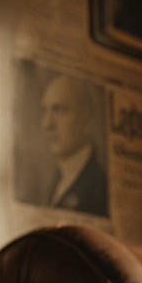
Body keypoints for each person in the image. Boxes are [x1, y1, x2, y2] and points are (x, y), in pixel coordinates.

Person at [37, 74, 108, 216]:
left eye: (60, 110)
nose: (47, 124)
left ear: (87, 120)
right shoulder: (56, 180)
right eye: (45, 110)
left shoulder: (101, 186)